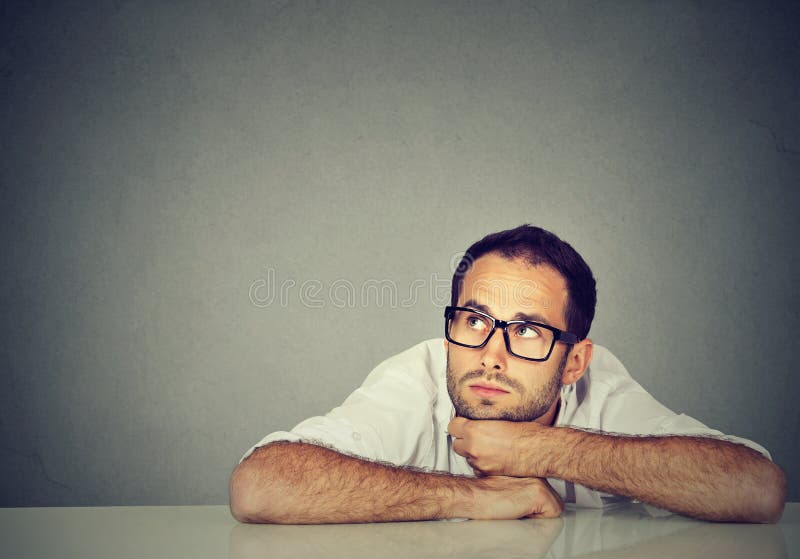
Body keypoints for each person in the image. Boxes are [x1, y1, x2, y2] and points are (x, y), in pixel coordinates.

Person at [229, 225, 786, 524]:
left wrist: (537, 451)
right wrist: (470, 499)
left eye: (526, 330)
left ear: (574, 360)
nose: (490, 354)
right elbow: (259, 487)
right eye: (474, 320)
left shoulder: (601, 387)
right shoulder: (424, 370)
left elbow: (757, 490)